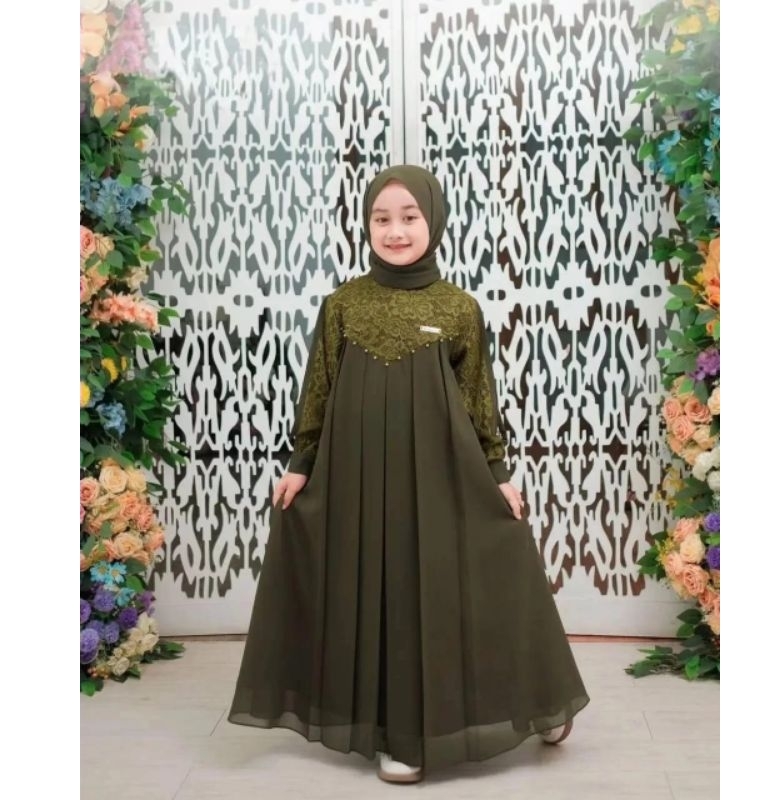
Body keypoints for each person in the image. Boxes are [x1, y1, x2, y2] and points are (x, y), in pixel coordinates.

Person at [228, 165, 589, 783]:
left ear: (433, 220)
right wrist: (300, 465)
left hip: (442, 476)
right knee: (384, 592)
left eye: (409, 217)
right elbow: (319, 390)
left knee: (472, 579)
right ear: (366, 225)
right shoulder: (343, 306)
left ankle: (536, 704)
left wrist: (498, 472)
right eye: (381, 219)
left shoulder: (458, 308)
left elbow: (477, 398)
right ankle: (400, 735)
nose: (395, 231)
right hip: (357, 478)